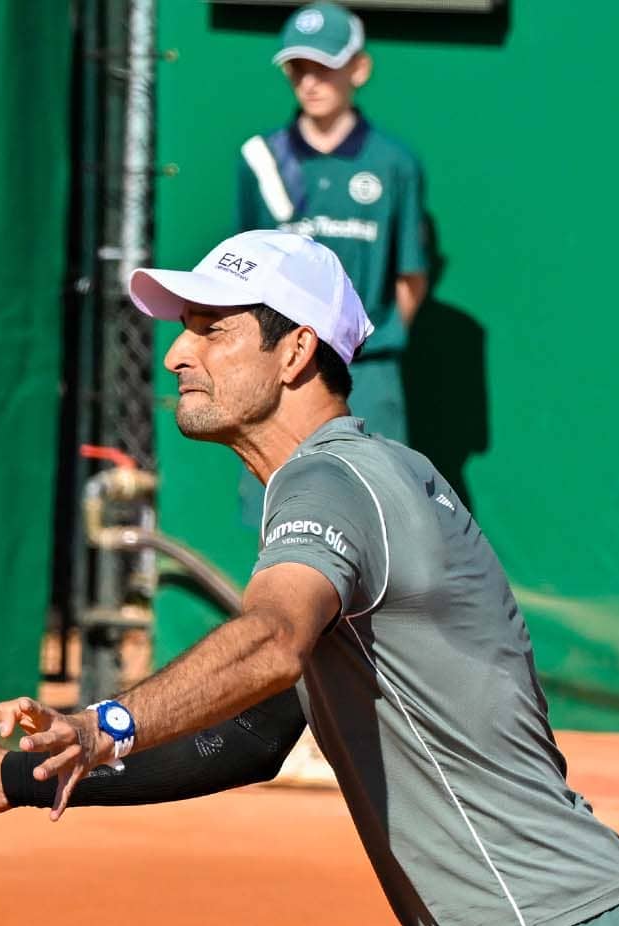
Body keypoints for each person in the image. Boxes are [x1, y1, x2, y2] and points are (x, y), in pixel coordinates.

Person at [0, 231, 619, 926]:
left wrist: (104, 724)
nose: (176, 354)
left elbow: (271, 644)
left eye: (211, 328)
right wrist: (24, 775)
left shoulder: (334, 483)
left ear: (297, 351)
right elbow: (247, 735)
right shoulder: (359, 481)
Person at [234, 1, 429, 530]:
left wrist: (365, 346)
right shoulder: (263, 160)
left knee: (381, 521)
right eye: (299, 69)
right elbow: (246, 278)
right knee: (281, 522)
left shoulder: (394, 164)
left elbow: (410, 276)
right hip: (284, 371)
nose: (310, 82)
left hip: (369, 375)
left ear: (358, 69)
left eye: (324, 66)